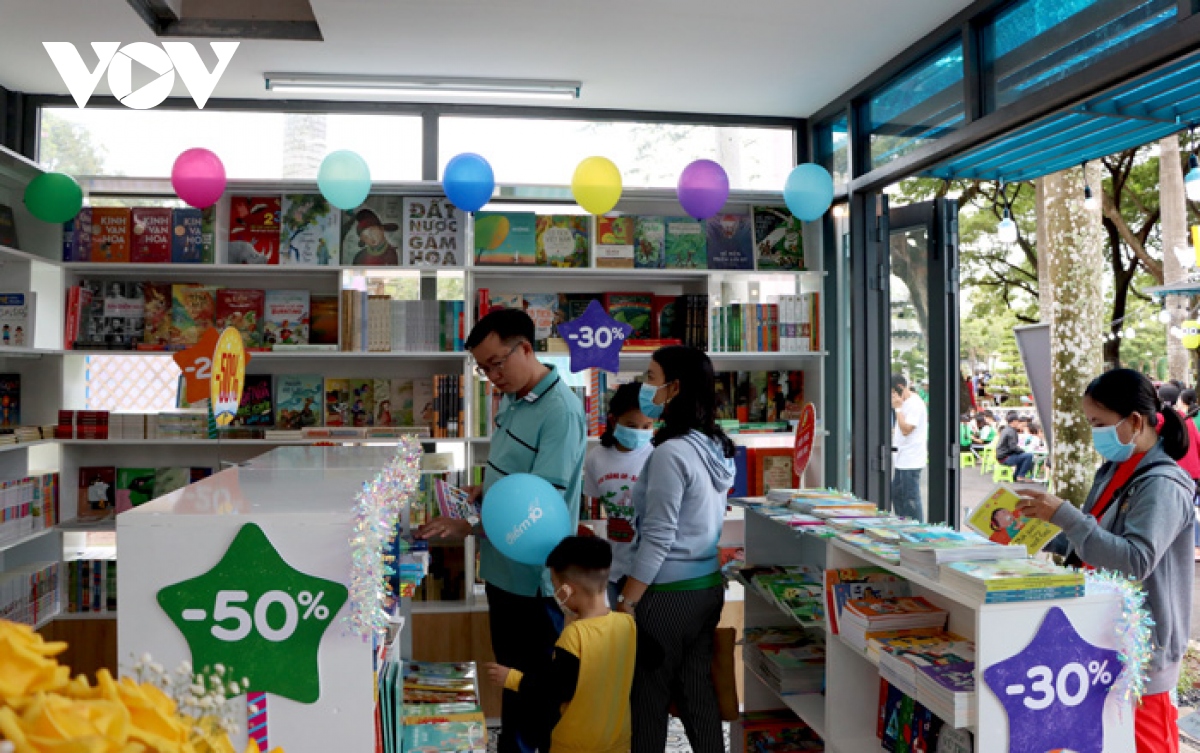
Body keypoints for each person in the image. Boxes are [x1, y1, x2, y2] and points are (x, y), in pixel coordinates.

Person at [417, 308, 586, 753]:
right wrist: (483, 489)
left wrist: (469, 524)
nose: (492, 376)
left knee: (534, 691)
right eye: (483, 368)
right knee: (514, 682)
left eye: (497, 363)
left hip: (533, 580)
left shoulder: (560, 412)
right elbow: (517, 479)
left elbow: (538, 508)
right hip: (500, 571)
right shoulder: (516, 397)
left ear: (526, 349)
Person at [1016, 369, 1194, 752]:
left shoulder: (1162, 483)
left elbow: (1133, 560)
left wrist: (1065, 515)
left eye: (1099, 424)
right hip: (1100, 637)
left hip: (1143, 653)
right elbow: (1096, 540)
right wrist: (1039, 533)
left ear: (1134, 421)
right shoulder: (1116, 470)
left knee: (1144, 742)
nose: (1094, 434)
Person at [616, 346, 734, 753]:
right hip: (705, 586)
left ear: (675, 387)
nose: (644, 386)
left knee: (647, 700)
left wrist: (628, 601)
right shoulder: (712, 446)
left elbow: (659, 537)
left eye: (651, 377)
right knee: (697, 695)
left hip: (665, 596)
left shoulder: (670, 453)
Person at [484, 536, 650, 753]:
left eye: (555, 586)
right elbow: (655, 657)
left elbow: (556, 690)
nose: (554, 593)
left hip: (573, 745)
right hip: (617, 742)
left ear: (567, 590)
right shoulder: (627, 625)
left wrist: (512, 678)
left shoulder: (574, 636)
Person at [583, 382, 655, 607]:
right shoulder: (596, 457)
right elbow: (597, 506)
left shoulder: (658, 455)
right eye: (632, 425)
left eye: (647, 426)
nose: (640, 433)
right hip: (614, 567)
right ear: (614, 421)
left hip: (649, 572)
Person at [890, 374, 927, 522]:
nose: (891, 396)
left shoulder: (914, 404)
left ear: (900, 387)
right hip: (901, 458)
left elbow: (906, 429)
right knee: (897, 495)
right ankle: (903, 524)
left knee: (910, 498)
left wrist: (898, 410)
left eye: (892, 392)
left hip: (911, 459)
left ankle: (917, 527)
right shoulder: (904, 403)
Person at [996, 412, 1034, 482]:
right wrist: (1022, 451)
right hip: (1005, 458)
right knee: (1029, 456)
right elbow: (1013, 447)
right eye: (1017, 421)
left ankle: (1016, 476)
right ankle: (1020, 476)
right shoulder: (1011, 431)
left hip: (1001, 456)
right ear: (1013, 421)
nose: (1018, 423)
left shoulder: (1006, 429)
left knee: (1022, 456)